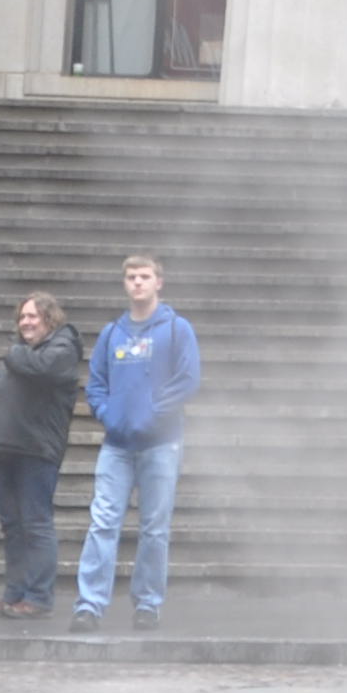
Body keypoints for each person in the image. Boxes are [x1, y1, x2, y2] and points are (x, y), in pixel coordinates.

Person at [75, 253, 197, 629]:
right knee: (102, 523)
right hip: (117, 445)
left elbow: (187, 379)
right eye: (131, 277)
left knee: (155, 527)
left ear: (159, 282)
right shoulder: (112, 333)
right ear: (124, 283)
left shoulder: (177, 329)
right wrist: (109, 414)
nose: (138, 282)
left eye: (144, 276)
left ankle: (147, 603)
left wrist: (153, 413)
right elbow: (96, 383)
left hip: (161, 443)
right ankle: (89, 605)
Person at [0, 294, 85, 618]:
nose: (25, 322)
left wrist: (12, 352)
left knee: (36, 525)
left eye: (33, 316)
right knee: (12, 526)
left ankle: (38, 597)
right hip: (7, 447)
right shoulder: (19, 352)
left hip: (37, 449)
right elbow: (2, 399)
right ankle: (14, 594)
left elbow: (40, 368)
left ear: (50, 320)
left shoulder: (61, 349)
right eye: (22, 317)